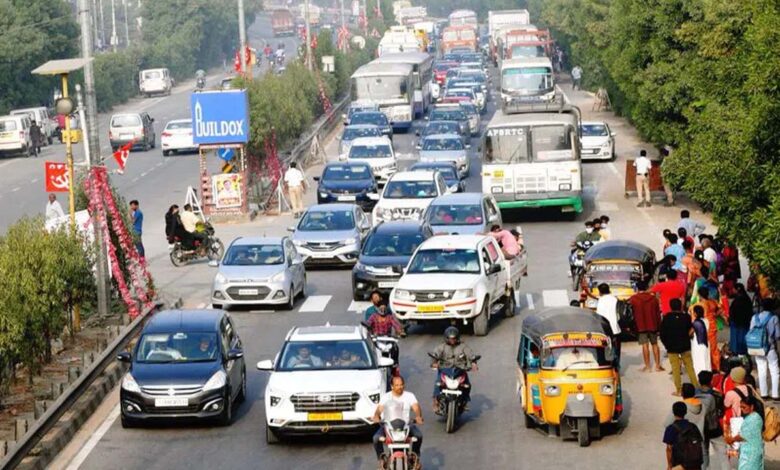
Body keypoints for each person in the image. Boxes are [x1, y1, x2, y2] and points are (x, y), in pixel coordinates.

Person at [372, 376, 423, 469]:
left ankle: (415, 458)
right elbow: (379, 409)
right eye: (397, 385)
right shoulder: (386, 397)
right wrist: (376, 416)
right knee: (376, 438)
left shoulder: (409, 395)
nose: (400, 387)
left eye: (401, 385)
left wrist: (418, 416)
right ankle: (381, 459)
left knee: (419, 436)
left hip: (406, 425)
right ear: (392, 386)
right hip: (388, 426)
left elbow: (416, 407)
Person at [431, 327, 477, 411]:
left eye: (454, 338)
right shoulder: (442, 347)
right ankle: (435, 402)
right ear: (446, 338)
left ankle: (465, 401)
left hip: (460, 369)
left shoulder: (463, 347)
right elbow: (435, 354)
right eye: (450, 338)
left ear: (457, 338)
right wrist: (434, 362)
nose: (452, 340)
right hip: (445, 369)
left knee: (467, 385)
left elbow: (470, 355)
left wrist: (473, 363)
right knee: (437, 383)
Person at [661, 299, 701, 395]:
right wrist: (687, 337)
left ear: (671, 306)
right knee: (689, 367)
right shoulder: (686, 317)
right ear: (681, 306)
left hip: (672, 347)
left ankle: (679, 390)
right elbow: (691, 329)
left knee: (675, 369)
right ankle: (696, 386)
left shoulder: (666, 318)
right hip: (685, 345)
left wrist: (666, 344)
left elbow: (662, 334)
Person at [629, 281, 664, 372]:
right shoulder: (653, 299)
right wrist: (659, 325)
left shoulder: (633, 299)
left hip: (640, 325)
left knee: (645, 345)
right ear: (646, 288)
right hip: (653, 324)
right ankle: (657, 366)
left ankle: (647, 366)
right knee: (655, 344)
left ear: (637, 288)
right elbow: (657, 313)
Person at [724, 393, 765, 470]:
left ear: (752, 407)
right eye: (741, 407)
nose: (742, 409)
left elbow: (743, 436)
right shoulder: (753, 417)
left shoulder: (753, 419)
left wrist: (731, 439)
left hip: (750, 454)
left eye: (744, 407)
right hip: (752, 451)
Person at [750, 299, 780, 400]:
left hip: (758, 348)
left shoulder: (755, 317)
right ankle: (775, 394)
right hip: (770, 348)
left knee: (761, 371)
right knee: (774, 371)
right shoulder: (774, 318)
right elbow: (777, 335)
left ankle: (764, 394)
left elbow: (751, 331)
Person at [691, 287, 724, 372]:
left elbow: (693, 315)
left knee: (704, 348)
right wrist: (714, 315)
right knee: (713, 349)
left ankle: (706, 366)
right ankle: (716, 367)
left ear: (699, 295)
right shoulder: (713, 302)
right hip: (712, 326)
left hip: (703, 326)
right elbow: (721, 308)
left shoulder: (698, 305)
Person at [663, 401, 704, 470]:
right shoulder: (693, 426)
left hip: (680, 465)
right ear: (685, 412)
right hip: (695, 463)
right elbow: (700, 442)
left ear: (673, 412)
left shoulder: (671, 428)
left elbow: (669, 449)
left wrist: (669, 466)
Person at [595, 284, 621, 366]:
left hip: (604, 328)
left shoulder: (600, 300)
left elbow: (599, 315)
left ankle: (605, 364)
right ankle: (616, 366)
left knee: (604, 348)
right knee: (616, 348)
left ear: (600, 292)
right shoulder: (615, 299)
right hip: (616, 328)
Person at [729, 284, 753, 355]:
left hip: (738, 324)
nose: (732, 290)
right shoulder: (746, 298)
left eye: (734, 289)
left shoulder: (739, 299)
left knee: (738, 341)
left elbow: (734, 312)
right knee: (743, 340)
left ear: (737, 289)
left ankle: (739, 354)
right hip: (745, 323)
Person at [691, 305, 711, 377]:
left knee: (699, 361)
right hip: (706, 343)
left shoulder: (696, 323)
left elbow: (690, 333)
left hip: (697, 345)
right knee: (706, 360)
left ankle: (700, 378)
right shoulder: (706, 320)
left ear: (695, 313)